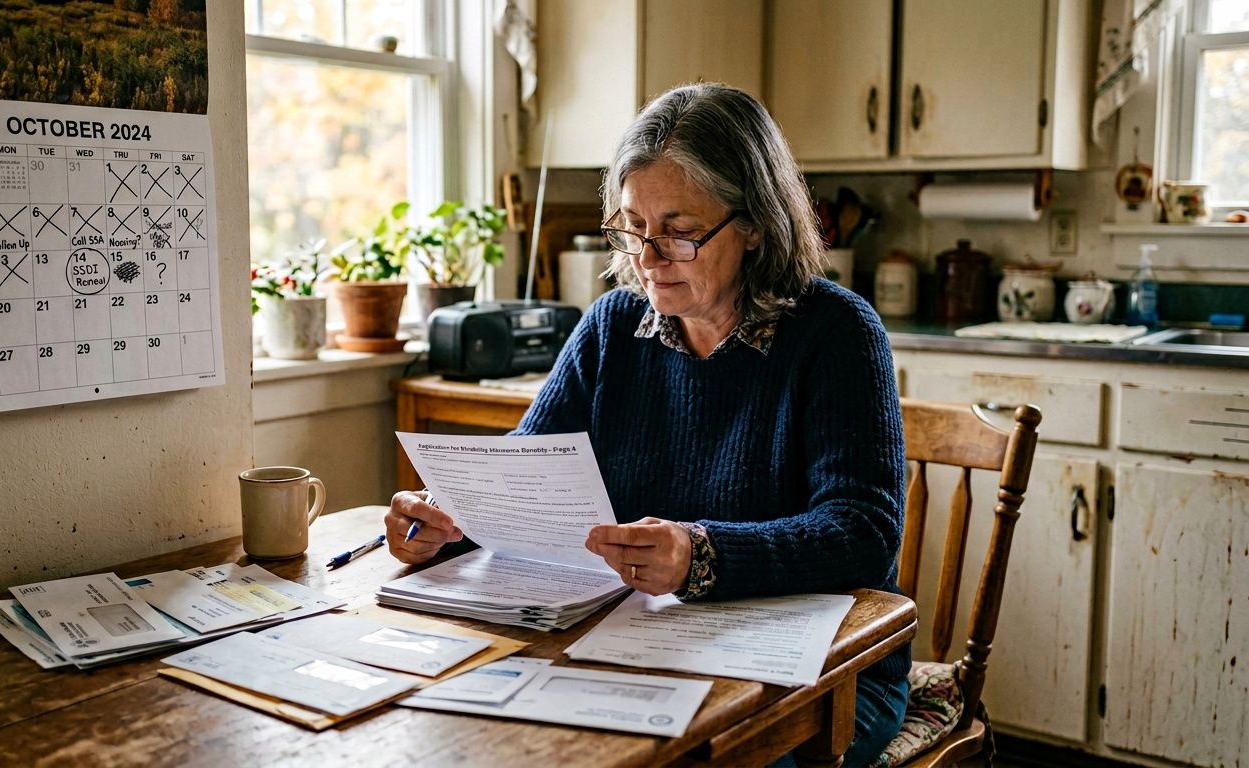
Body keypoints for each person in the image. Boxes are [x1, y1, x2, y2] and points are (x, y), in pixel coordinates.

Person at [384, 83, 908, 765]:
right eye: (633, 227)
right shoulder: (609, 328)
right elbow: (527, 475)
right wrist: (447, 521)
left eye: (680, 232)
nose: (648, 257)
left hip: (824, 669)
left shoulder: (836, 334)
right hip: (641, 645)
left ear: (753, 224)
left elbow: (862, 531)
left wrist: (701, 553)